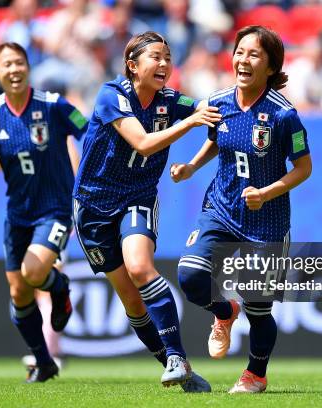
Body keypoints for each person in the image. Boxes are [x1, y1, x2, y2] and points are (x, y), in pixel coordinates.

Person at [72, 31, 220, 392]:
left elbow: (207, 110)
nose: (165, 64)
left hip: (136, 196)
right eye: (156, 56)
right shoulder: (112, 95)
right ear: (132, 65)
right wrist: (190, 123)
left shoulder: (170, 101)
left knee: (140, 267)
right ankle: (178, 365)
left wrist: (223, 115)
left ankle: (175, 356)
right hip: (92, 206)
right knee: (131, 300)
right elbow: (143, 142)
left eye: (168, 57)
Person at [171, 25, 312, 393]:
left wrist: (266, 193)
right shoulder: (218, 102)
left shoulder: (284, 115)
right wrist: (190, 167)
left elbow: (303, 168)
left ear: (270, 67)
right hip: (221, 208)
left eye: (254, 54)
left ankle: (255, 374)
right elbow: (217, 142)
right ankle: (224, 312)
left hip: (267, 220)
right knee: (189, 276)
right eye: (239, 51)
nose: (243, 60)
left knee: (259, 306)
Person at [0, 42, 87, 383]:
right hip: (18, 214)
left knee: (35, 273)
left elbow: (89, 132)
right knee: (19, 292)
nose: (14, 69)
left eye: (19, 62)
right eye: (7, 65)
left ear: (28, 67)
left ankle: (59, 286)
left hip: (55, 209)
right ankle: (44, 362)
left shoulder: (53, 105)